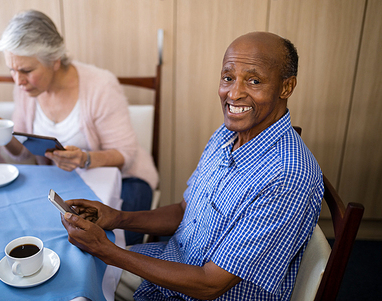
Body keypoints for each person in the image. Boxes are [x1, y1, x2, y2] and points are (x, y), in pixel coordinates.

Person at [60, 32, 324, 300]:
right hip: (175, 263)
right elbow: (186, 212)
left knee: (77, 279)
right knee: (73, 268)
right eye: (228, 78)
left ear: (286, 87)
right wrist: (116, 218)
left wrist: (106, 249)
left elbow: (210, 284)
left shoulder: (285, 175)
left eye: (254, 81)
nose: (233, 93)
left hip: (196, 292)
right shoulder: (227, 135)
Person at [0, 10, 158, 245]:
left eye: (26, 70)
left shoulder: (100, 86)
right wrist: (2, 133)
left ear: (55, 60)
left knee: (103, 243)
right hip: (63, 184)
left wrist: (85, 159)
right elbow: (22, 152)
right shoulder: (27, 89)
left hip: (125, 179)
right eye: (12, 70)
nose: (18, 80)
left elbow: (125, 156)